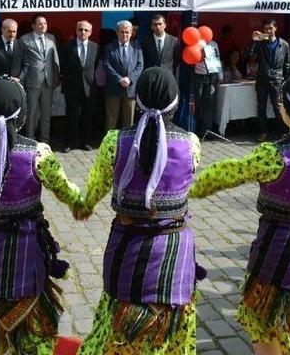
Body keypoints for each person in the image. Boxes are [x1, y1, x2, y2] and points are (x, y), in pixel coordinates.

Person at [189, 74, 290, 355]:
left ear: (289, 110)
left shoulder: (275, 155)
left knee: (266, 323)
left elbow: (229, 172)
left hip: (280, 251)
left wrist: (192, 185)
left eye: (281, 101)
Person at [77, 67, 203, 354]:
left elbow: (95, 188)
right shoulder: (191, 143)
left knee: (117, 324)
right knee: (170, 329)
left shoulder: (114, 141)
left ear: (139, 98)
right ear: (176, 101)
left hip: (126, 245)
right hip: (173, 249)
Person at [0, 77, 83, 355]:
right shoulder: (38, 154)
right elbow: (68, 193)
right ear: (23, 115)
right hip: (24, 255)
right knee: (32, 334)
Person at [12, 14, 59, 143]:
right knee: (31, 113)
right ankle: (30, 140)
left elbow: (55, 60)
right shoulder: (24, 39)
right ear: (33, 26)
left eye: (45, 23)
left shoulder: (51, 38)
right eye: (40, 23)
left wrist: (56, 78)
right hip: (32, 81)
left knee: (46, 113)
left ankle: (45, 140)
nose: (43, 26)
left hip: (48, 82)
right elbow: (20, 60)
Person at [60, 20, 99, 152]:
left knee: (88, 116)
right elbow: (63, 66)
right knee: (71, 115)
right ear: (76, 31)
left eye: (86, 30)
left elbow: (95, 65)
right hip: (72, 87)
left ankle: (86, 141)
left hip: (89, 86)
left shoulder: (96, 47)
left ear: (90, 32)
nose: (83, 32)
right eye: (80, 29)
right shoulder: (67, 46)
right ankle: (69, 142)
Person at [248, 19, 290, 142]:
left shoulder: (284, 44)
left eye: (270, 28)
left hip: (277, 79)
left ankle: (282, 131)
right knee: (261, 107)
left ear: (275, 28)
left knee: (278, 107)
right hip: (262, 78)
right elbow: (250, 55)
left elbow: (287, 64)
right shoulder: (261, 43)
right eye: (266, 28)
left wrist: (285, 79)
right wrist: (254, 41)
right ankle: (263, 132)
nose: (268, 31)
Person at [103, 20, 143, 130]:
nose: (124, 34)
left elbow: (140, 66)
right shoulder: (109, 47)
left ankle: (126, 144)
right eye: (122, 32)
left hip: (130, 89)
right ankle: (110, 145)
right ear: (117, 32)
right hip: (113, 88)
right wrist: (119, 79)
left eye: (127, 32)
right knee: (111, 120)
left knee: (129, 121)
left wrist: (130, 79)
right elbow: (106, 65)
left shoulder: (137, 48)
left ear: (131, 33)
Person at [192, 31, 223, 136]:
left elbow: (217, 60)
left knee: (209, 104)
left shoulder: (213, 44)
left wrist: (220, 76)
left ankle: (206, 130)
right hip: (198, 76)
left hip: (211, 77)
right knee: (198, 104)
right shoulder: (194, 43)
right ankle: (196, 129)